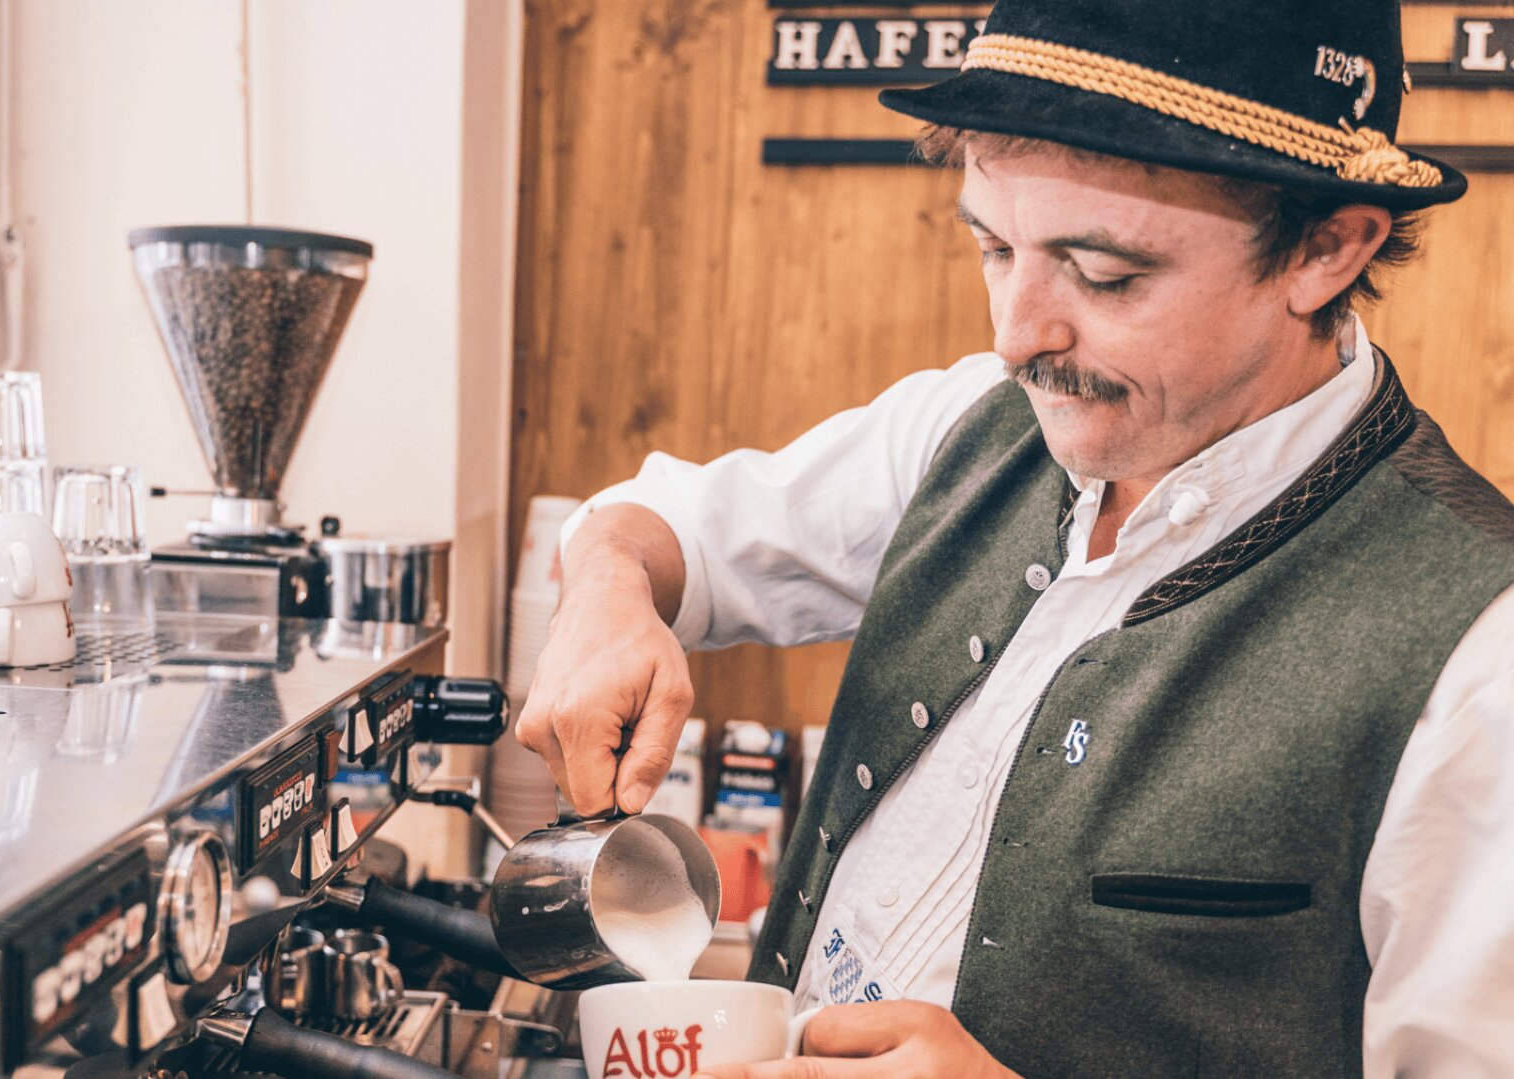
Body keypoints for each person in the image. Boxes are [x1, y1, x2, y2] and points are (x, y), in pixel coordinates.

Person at [513, 0, 1514, 1074]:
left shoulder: (1477, 655)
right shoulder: (974, 424)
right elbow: (667, 528)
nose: (1017, 333)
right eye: (993, 244)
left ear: (1327, 246)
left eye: (1104, 273)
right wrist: (607, 589)